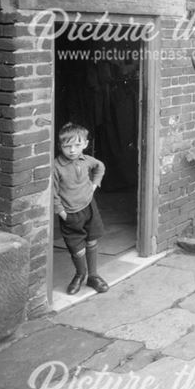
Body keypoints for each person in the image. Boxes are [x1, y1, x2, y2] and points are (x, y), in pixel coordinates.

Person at [53, 122, 109, 295]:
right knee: (77, 248)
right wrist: (62, 213)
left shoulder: (86, 160)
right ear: (60, 146)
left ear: (85, 144)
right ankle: (80, 274)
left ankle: (93, 276)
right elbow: (53, 193)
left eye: (77, 145)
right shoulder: (56, 166)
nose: (72, 150)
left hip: (89, 208)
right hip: (70, 213)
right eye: (67, 146)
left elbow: (100, 166)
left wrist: (94, 184)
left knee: (92, 240)